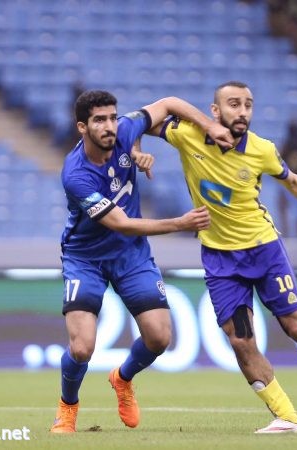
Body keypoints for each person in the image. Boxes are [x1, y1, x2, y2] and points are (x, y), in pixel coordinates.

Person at [141, 81, 297, 434]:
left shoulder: (262, 149)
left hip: (264, 250)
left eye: (248, 105)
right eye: (234, 104)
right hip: (220, 260)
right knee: (240, 340)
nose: (243, 111)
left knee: (296, 326)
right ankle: (287, 417)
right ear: (215, 111)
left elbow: (294, 183)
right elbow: (141, 120)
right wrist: (141, 147)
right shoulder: (186, 135)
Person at [50, 90, 233, 434]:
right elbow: (120, 222)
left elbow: (170, 103)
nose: (109, 126)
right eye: (99, 120)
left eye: (111, 117)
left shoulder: (125, 130)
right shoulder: (76, 175)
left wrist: (210, 126)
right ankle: (67, 408)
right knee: (82, 346)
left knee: (159, 338)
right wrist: (180, 224)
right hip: (85, 258)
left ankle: (122, 378)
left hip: (130, 255)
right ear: (81, 127)